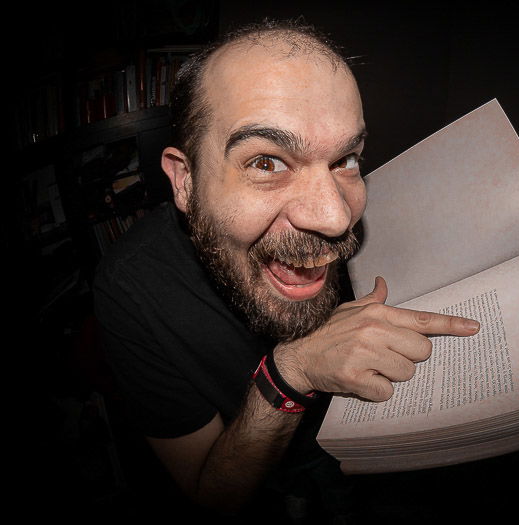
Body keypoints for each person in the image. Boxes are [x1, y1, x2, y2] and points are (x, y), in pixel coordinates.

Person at [93, 19, 480, 520]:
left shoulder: (351, 218)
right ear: (185, 181)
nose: (337, 218)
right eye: (266, 163)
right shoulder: (132, 291)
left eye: (346, 159)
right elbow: (213, 498)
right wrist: (290, 371)